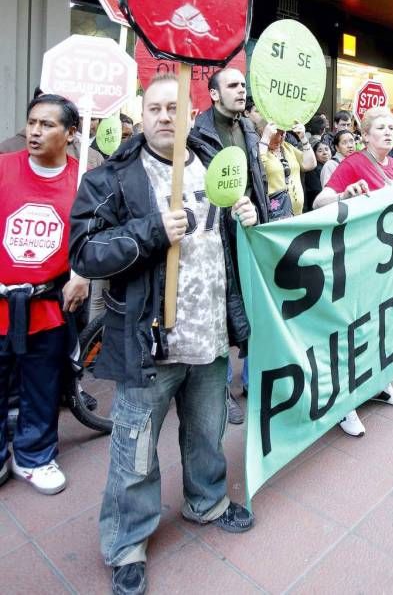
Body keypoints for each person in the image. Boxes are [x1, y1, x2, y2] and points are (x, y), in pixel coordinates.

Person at [69, 74, 257, 595]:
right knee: (134, 451)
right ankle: (127, 544)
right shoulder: (112, 177)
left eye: (174, 107)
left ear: (191, 108)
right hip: (151, 342)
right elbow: (84, 252)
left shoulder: (216, 158)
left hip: (210, 334)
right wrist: (150, 232)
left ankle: (207, 501)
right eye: (154, 108)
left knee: (207, 433)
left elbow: (239, 224)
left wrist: (245, 214)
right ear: (142, 114)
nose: (164, 116)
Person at [313, 106, 393, 437]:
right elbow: (320, 201)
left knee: (383, 328)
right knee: (356, 332)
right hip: (358, 266)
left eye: (391, 127)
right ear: (366, 134)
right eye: (380, 128)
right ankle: (346, 405)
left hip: (388, 268)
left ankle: (381, 384)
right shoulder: (353, 164)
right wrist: (345, 195)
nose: (388, 132)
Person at [0, 94, 89, 495]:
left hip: (48, 305)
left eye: (47, 125)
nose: (35, 132)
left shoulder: (84, 179)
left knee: (42, 384)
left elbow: (96, 239)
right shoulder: (4, 168)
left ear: (71, 134)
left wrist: (83, 273)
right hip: (2, 302)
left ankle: (33, 455)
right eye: (32, 122)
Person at [193, 68, 269, 423]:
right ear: (213, 94)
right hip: (215, 237)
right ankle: (220, 392)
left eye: (243, 85)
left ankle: (254, 382)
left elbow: (257, 181)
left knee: (255, 306)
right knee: (221, 313)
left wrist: (261, 216)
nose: (242, 90)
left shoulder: (248, 128)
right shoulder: (199, 135)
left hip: (251, 231)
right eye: (233, 85)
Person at [258, 120, 317, 215]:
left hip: (297, 213)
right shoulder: (260, 150)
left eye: (284, 132)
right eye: (278, 132)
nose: (282, 137)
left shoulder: (287, 147)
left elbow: (310, 164)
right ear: (265, 131)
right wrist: (265, 139)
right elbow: (257, 170)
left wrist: (303, 138)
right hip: (276, 214)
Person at [303, 140, 331, 211]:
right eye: (320, 151)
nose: (325, 153)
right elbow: (317, 192)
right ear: (314, 155)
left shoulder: (332, 165)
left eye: (327, 149)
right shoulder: (312, 171)